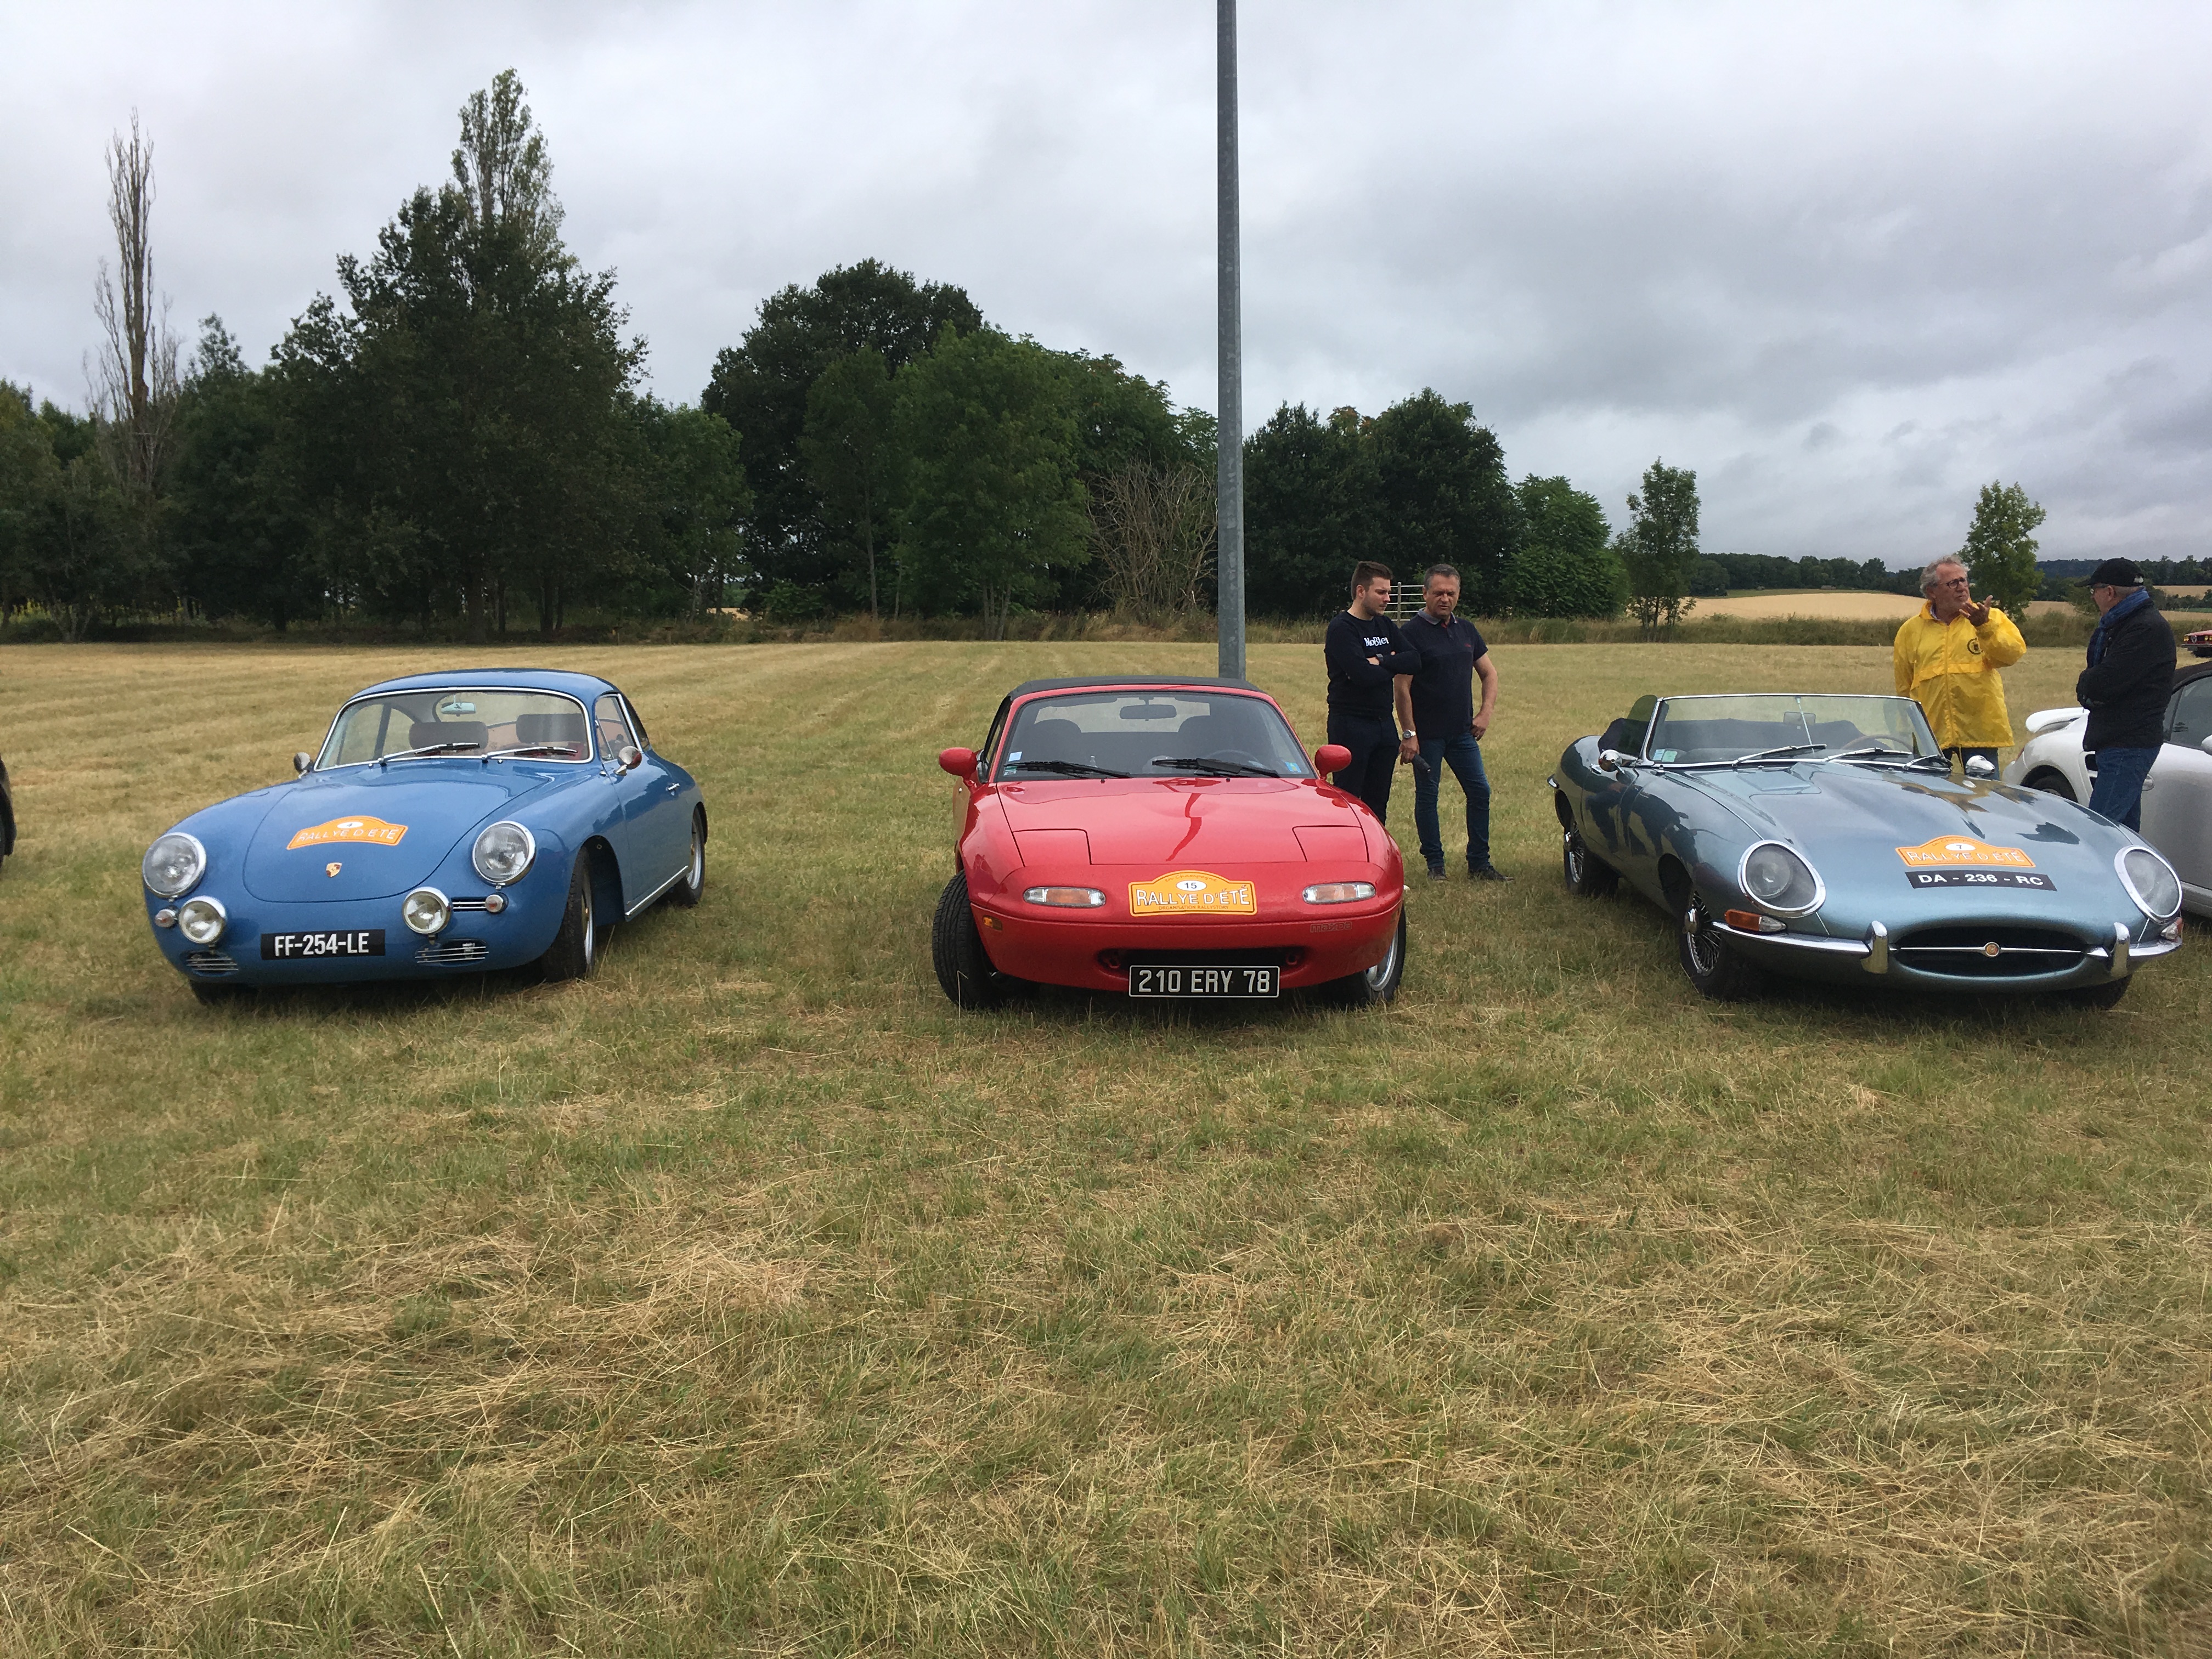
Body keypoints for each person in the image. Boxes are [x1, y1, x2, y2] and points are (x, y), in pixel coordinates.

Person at [1393, 563, 1506, 881]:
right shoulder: (1410, 634)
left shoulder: (1466, 630)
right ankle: (1436, 865)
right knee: (1428, 797)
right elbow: (1402, 688)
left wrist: (1485, 713)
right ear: (1425, 593)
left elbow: (1489, 673)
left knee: (1480, 791)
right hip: (1427, 736)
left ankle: (1479, 864)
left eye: (1451, 593)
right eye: (1439, 593)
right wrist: (1409, 733)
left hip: (1462, 733)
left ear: (1458, 594)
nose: (1445, 599)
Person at [1892, 556, 2027, 773]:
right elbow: (1904, 688)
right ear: (1932, 592)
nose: (1962, 587)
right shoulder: (1910, 631)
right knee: (1928, 792)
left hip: (1980, 731)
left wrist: (1984, 627)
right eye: (1953, 583)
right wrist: (1907, 733)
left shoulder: (1992, 618)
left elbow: (2012, 655)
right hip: (1931, 735)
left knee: (1982, 793)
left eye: (1964, 580)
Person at [2076, 557, 2176, 831]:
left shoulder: (2144, 628)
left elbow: (2104, 682)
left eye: (2094, 590)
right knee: (2125, 831)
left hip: (2128, 742)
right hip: (2121, 739)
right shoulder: (2128, 623)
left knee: (2100, 830)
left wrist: (2086, 683)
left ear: (2109, 592)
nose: (2093, 597)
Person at [1324, 561, 1417, 821]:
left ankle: (1376, 847)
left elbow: (1414, 660)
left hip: (1384, 725)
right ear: (1361, 591)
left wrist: (1380, 661)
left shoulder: (1384, 625)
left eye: (1389, 592)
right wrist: (1392, 661)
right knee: (1348, 803)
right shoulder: (1342, 628)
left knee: (1378, 805)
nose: (1388, 599)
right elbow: (1363, 676)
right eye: (1381, 592)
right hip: (1350, 725)